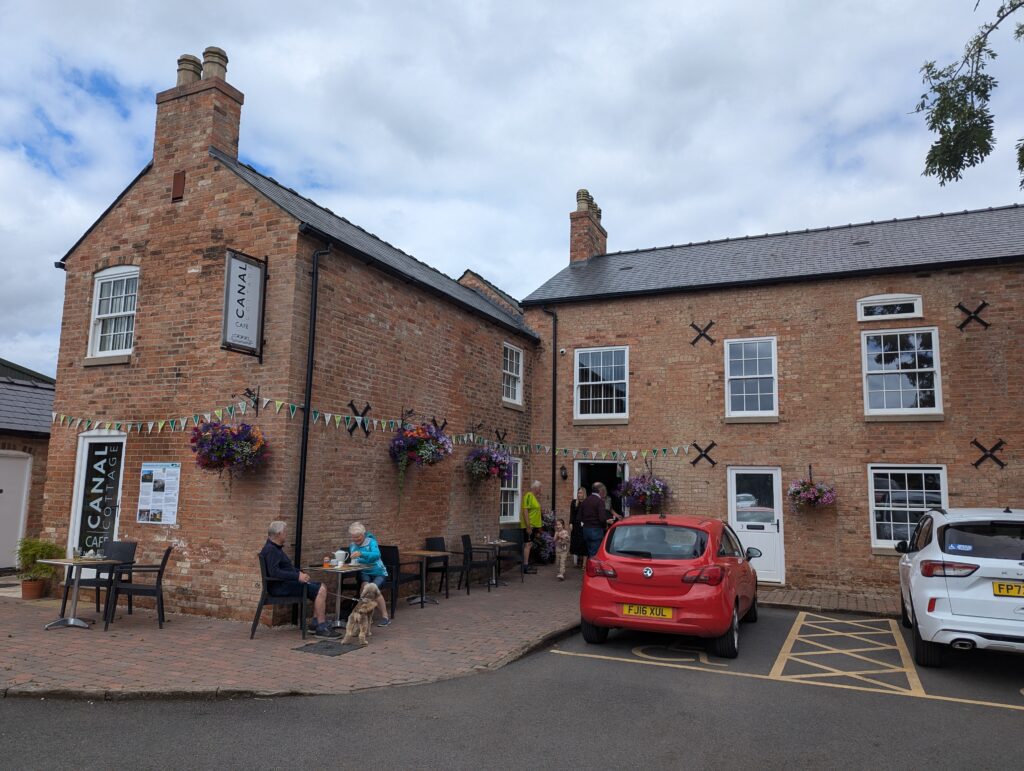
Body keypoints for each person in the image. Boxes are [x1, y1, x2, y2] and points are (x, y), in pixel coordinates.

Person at [260, 520, 337, 638]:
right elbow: (274, 572)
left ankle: (315, 623)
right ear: (279, 534)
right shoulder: (271, 550)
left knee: (322, 586)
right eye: (285, 532)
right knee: (320, 590)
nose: (286, 534)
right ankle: (322, 627)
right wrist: (297, 576)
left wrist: (299, 573)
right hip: (280, 587)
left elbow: (286, 568)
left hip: (285, 584)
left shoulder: (275, 548)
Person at [347, 522, 391, 627]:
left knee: (372, 589)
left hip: (378, 572)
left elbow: (376, 555)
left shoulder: (371, 542)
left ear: (363, 534)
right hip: (364, 571)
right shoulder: (352, 546)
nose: (356, 540)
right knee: (364, 587)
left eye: (358, 537)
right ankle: (364, 616)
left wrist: (362, 553)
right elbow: (356, 561)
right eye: (353, 537)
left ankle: (385, 617)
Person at [578, 482, 611, 561]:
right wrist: (605, 525)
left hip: (586, 530)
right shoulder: (600, 502)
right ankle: (592, 568)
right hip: (596, 531)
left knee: (590, 552)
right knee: (595, 554)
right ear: (599, 490)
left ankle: (590, 567)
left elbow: (579, 517)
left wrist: (586, 522)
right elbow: (602, 519)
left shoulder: (585, 501)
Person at [520, 480, 543, 573]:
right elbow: (525, 511)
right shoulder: (529, 496)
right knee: (528, 544)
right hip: (530, 526)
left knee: (530, 545)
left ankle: (528, 564)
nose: (540, 490)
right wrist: (528, 526)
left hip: (534, 526)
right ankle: (525, 567)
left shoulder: (534, 497)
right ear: (535, 488)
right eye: (540, 488)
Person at [568, 486, 587, 567]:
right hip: (575, 525)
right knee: (576, 542)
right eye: (578, 493)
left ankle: (583, 562)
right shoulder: (574, 502)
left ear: (584, 494)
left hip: (584, 525)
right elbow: (572, 514)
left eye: (581, 493)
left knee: (583, 543)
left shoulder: (586, 503)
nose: (579, 494)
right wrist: (570, 523)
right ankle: (579, 560)